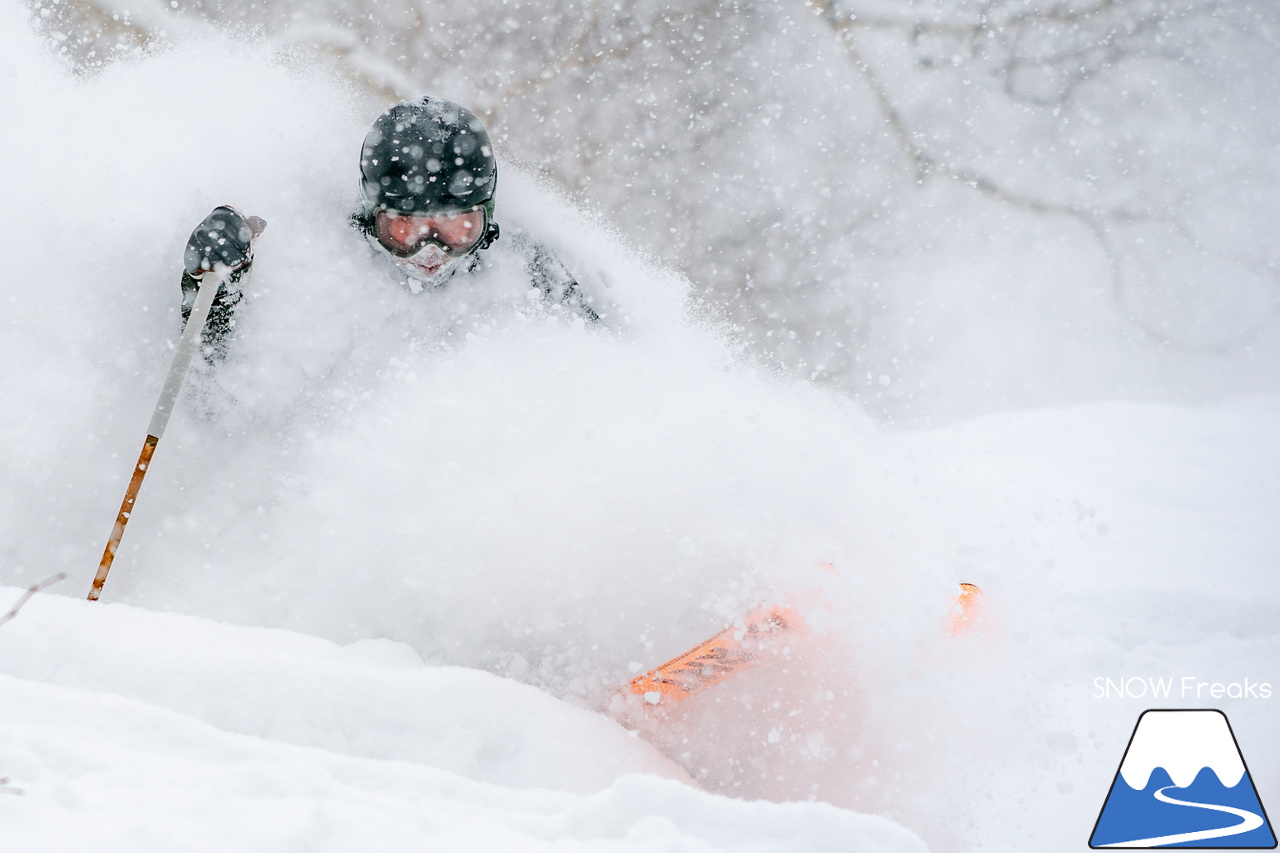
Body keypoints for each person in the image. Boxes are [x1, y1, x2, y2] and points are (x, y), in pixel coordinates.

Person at [180, 95, 597, 356]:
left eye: (457, 226)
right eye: (403, 226)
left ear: (487, 216)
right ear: (369, 215)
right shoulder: (320, 271)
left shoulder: (530, 279)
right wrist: (212, 294)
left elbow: (605, 378)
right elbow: (219, 409)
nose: (431, 248)